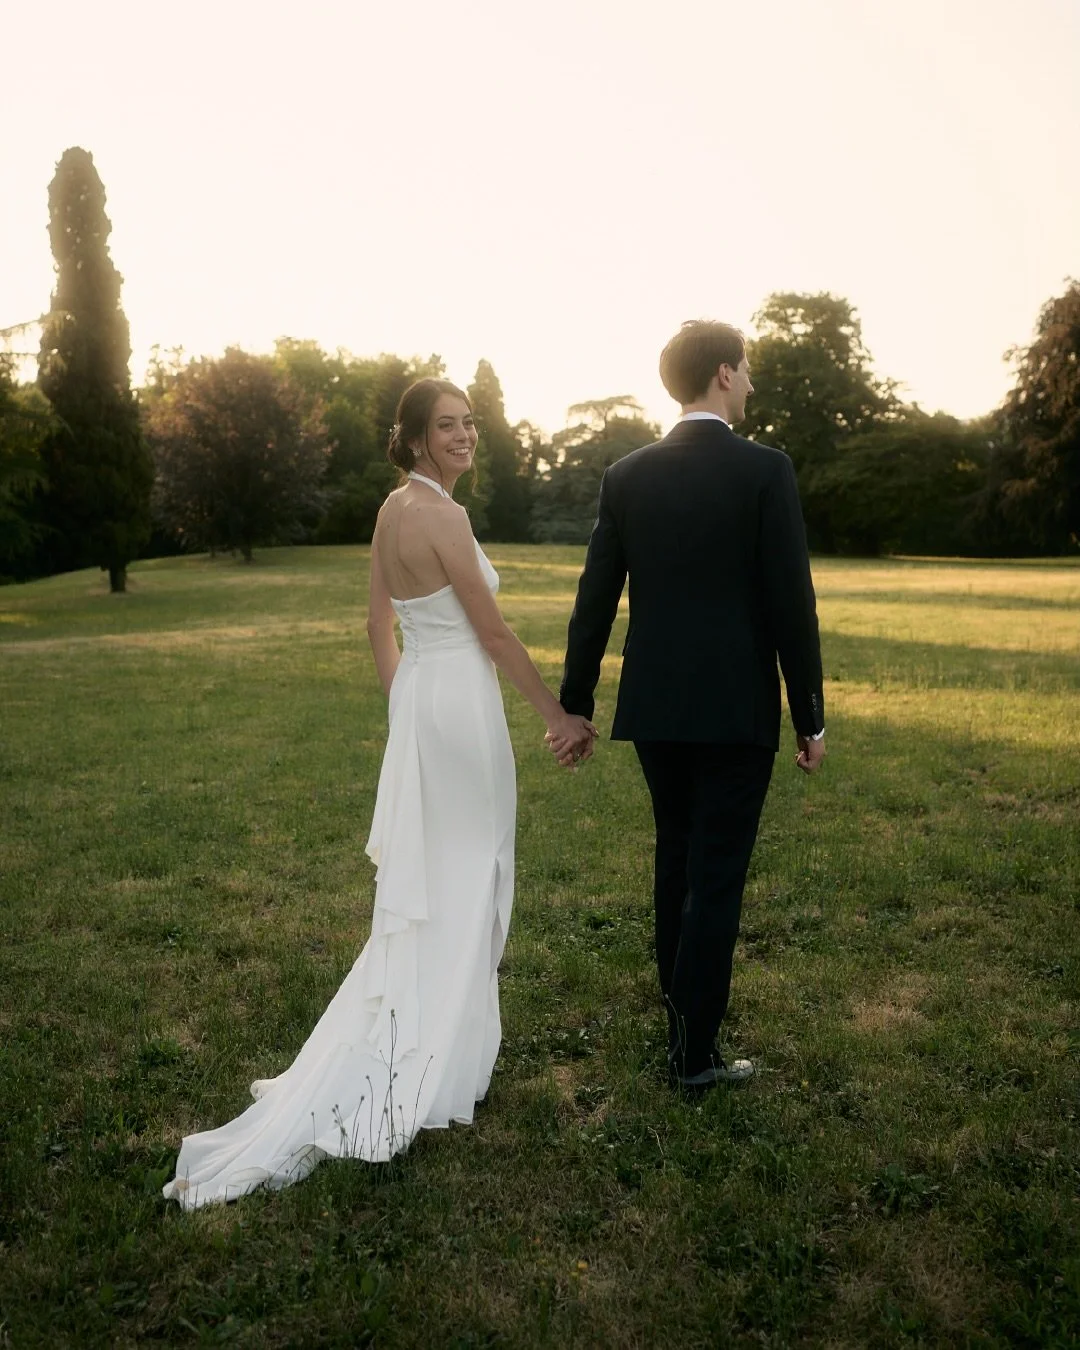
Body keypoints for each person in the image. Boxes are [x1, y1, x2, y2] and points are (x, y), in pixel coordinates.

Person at [163, 378, 594, 1209]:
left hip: (423, 704)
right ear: (417, 438)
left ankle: (438, 1048)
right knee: (471, 878)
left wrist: (405, 710)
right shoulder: (443, 517)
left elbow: (377, 626)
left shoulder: (392, 511)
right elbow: (492, 632)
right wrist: (557, 716)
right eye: (448, 425)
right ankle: (436, 1068)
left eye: (470, 422)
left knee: (441, 882)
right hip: (460, 708)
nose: (465, 435)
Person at [555, 321, 826, 1093]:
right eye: (747, 368)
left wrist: (576, 702)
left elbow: (595, 598)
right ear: (722, 374)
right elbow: (792, 602)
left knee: (676, 860)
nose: (752, 382)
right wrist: (809, 715)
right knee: (716, 876)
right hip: (736, 710)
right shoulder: (766, 470)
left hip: (658, 707)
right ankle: (693, 1055)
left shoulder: (627, 475)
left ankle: (681, 1024)